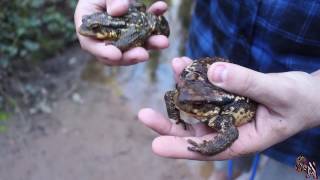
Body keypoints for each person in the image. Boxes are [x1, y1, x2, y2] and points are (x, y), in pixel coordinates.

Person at [75, 0, 320, 178]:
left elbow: (231, 134)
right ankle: (224, 173)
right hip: (214, 42)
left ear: (207, 107)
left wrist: (314, 91)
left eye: (194, 105)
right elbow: (174, 96)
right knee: (229, 164)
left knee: (292, 171)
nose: (180, 100)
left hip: (300, 114)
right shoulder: (185, 97)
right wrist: (177, 116)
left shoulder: (222, 117)